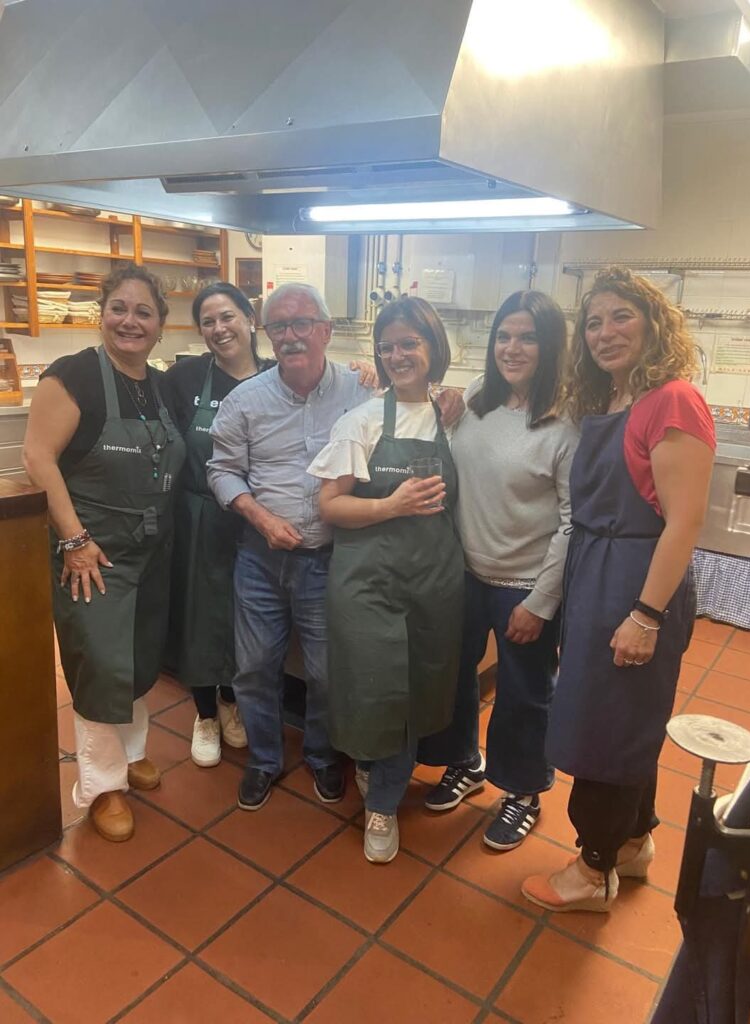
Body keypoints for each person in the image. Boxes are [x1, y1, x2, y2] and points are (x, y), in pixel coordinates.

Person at [521, 267, 715, 913]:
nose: (605, 332)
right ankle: (633, 842)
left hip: (634, 582)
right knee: (625, 720)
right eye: (594, 322)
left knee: (606, 727)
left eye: (621, 316)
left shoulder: (672, 400)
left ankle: (592, 870)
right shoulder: (610, 402)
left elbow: (684, 522)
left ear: (654, 323)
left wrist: (646, 614)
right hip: (597, 575)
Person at [163, 282, 377, 769]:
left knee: (325, 673)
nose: (291, 335)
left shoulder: (360, 390)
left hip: (329, 558)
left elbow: (407, 411)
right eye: (280, 326)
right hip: (260, 559)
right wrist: (260, 517)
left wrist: (447, 400)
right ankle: (263, 761)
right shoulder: (245, 399)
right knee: (255, 669)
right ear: (268, 333)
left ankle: (321, 757)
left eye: (302, 323)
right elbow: (221, 470)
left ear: (326, 330)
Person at [23, 264, 185, 842]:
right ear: (102, 313)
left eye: (144, 312)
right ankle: (102, 785)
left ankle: (132, 753)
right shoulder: (74, 376)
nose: (130, 321)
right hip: (92, 555)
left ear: (160, 325)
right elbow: (37, 457)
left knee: (137, 662)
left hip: (152, 551)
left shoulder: (159, 384)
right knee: (100, 667)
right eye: (119, 308)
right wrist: (74, 540)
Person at [418, 290, 579, 851]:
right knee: (454, 675)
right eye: (504, 336)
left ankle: (523, 792)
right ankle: (465, 761)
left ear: (550, 345)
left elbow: (573, 522)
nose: (512, 348)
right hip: (464, 573)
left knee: (524, 694)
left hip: (524, 585)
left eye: (527, 337)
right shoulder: (477, 399)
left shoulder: (565, 423)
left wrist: (541, 601)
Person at [309, 297, 464, 863]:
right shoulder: (363, 420)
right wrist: (391, 506)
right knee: (374, 689)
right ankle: (380, 797)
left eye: (410, 344)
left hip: (433, 583)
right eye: (388, 346)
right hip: (368, 581)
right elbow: (330, 505)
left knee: (416, 692)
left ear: (433, 348)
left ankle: (383, 787)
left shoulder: (455, 416)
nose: (398, 355)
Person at [163, 283, 273, 767]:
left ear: (250, 318)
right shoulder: (184, 377)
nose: (219, 329)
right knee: (199, 620)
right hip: (201, 519)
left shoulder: (279, 376)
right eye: (208, 321)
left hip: (258, 523)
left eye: (227, 316)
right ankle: (206, 714)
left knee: (243, 622)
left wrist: (363, 371)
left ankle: (233, 702)